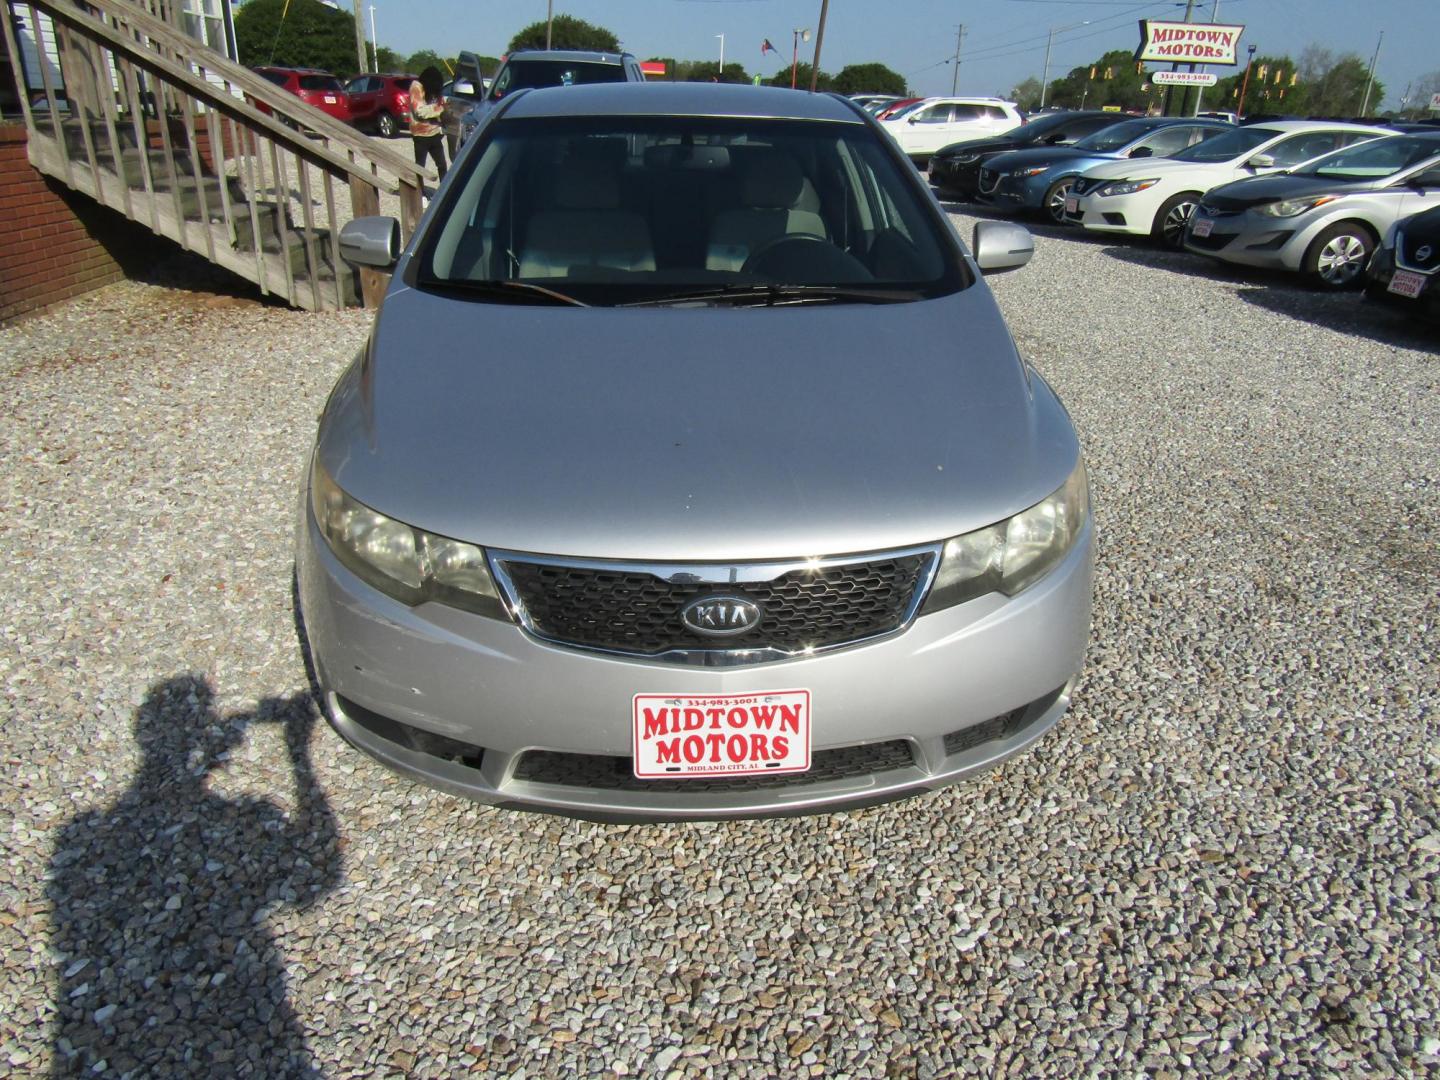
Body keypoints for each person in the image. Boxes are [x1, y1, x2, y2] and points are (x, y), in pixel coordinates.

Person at [410, 66, 447, 182]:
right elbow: (420, 111)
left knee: (442, 165)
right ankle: (420, 193)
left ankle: (444, 190)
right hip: (420, 135)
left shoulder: (431, 91)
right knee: (420, 167)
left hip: (435, 133)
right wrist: (440, 108)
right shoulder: (416, 87)